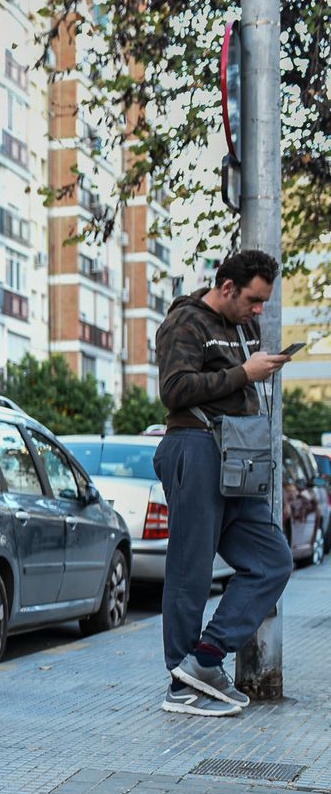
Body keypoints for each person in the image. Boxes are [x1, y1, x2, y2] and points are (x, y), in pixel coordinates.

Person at [152, 249, 295, 716]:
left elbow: (240, 384)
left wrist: (258, 370)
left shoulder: (245, 328)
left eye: (264, 301)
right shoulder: (185, 322)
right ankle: (180, 686)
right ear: (228, 287)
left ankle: (205, 659)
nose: (259, 309)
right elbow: (174, 390)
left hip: (238, 454)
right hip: (195, 446)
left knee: (272, 560)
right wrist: (243, 374)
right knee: (191, 570)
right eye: (253, 299)